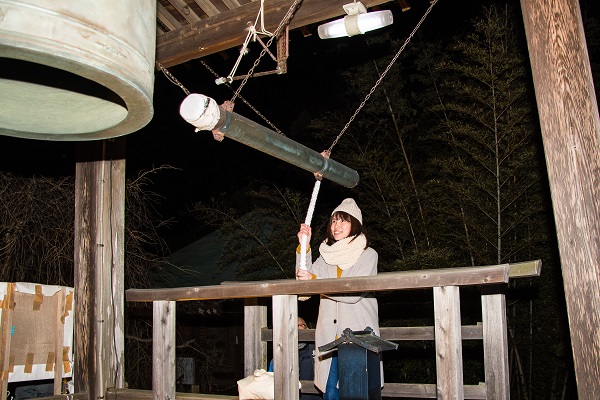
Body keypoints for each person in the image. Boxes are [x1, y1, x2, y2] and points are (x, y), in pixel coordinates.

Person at [295, 198, 381, 400]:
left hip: (359, 338)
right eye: (334, 221)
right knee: (331, 394)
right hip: (329, 340)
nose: (336, 226)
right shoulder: (326, 256)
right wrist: (304, 247)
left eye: (343, 221)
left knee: (357, 394)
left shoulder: (368, 255)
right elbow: (304, 286)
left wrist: (315, 281)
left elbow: (353, 292)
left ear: (355, 224)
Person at [268, 317, 322, 399]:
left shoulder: (316, 350)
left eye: (303, 325)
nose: (301, 327)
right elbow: (271, 379)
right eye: (297, 325)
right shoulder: (280, 353)